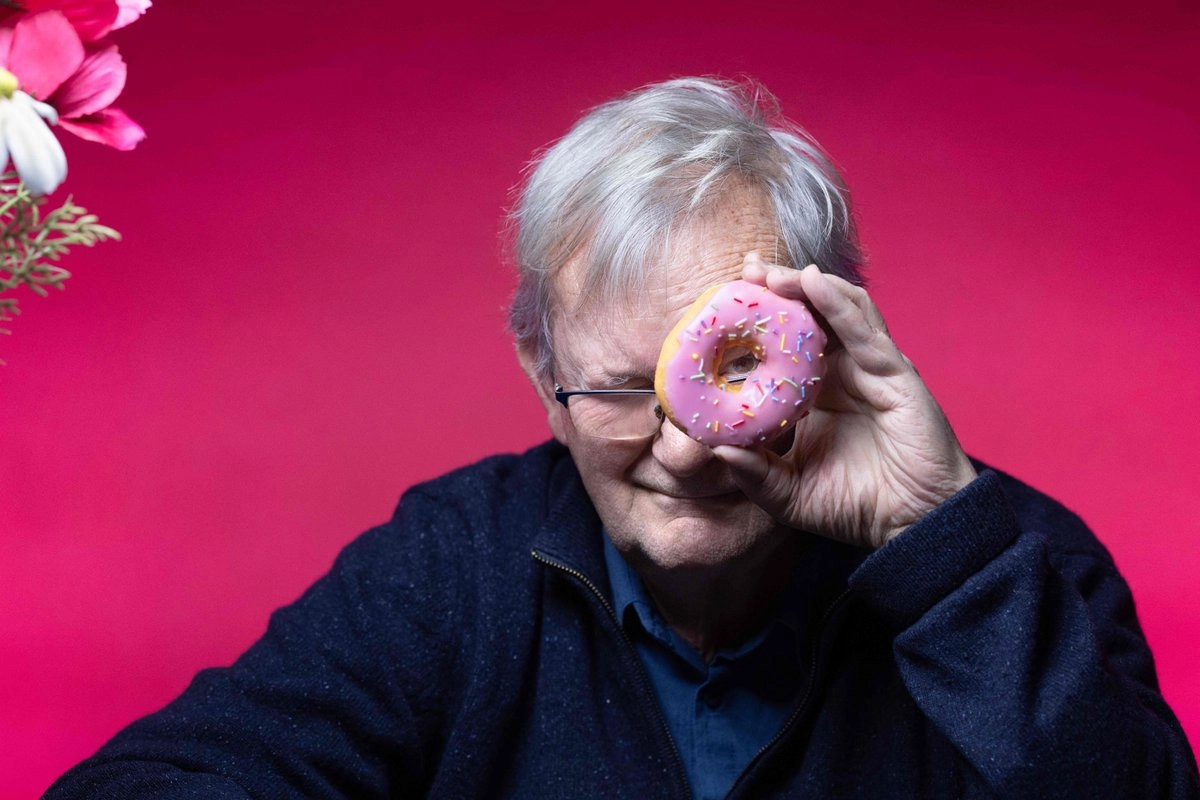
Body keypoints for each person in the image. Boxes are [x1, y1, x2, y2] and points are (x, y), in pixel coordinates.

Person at [47, 77, 1198, 799]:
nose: (689, 450)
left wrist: (939, 543)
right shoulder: (454, 566)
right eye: (615, 389)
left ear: (837, 343)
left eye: (729, 380)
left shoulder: (1009, 558)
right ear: (539, 368)